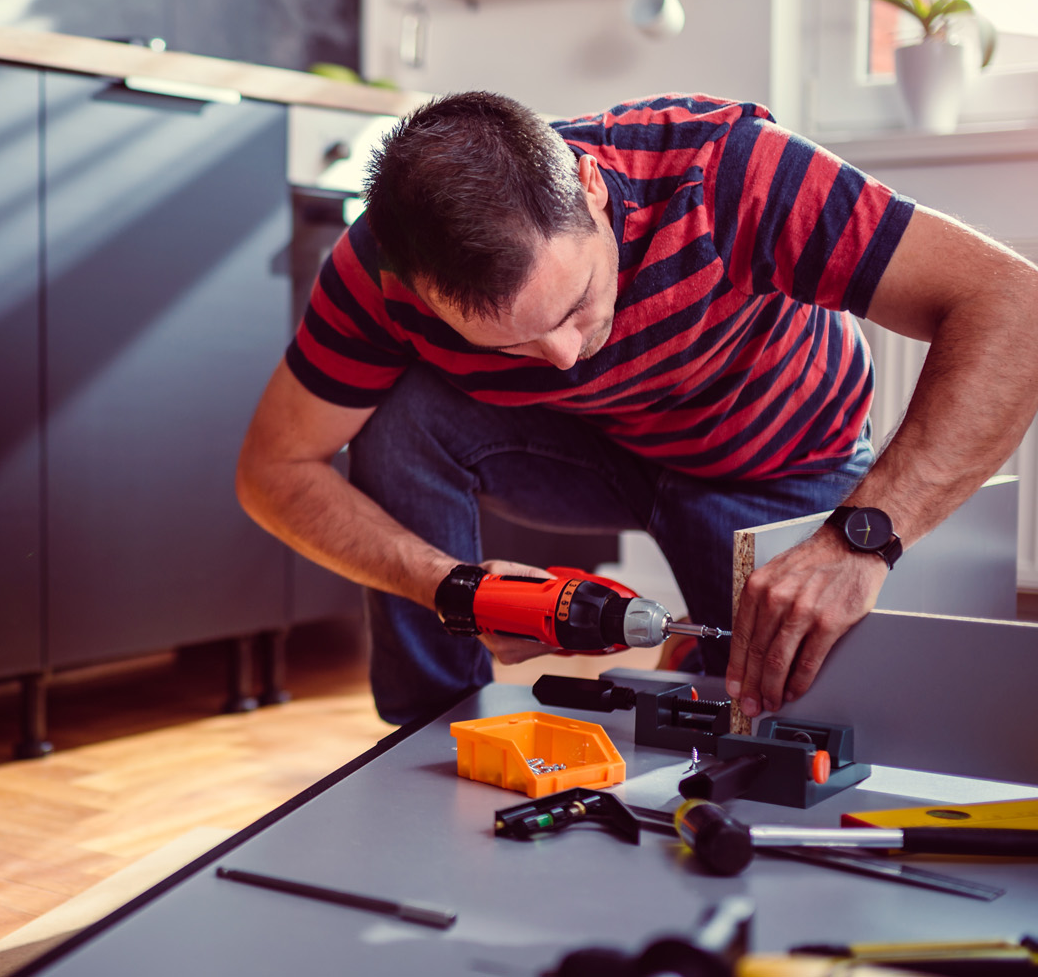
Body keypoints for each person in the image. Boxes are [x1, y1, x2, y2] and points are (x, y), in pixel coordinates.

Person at [235, 91, 1038, 726]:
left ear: (590, 185)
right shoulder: (375, 273)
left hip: (773, 461)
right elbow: (274, 470)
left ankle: (706, 640)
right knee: (398, 414)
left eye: (575, 302)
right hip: (582, 454)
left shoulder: (720, 170)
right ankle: (431, 726)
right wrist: (452, 587)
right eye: (505, 344)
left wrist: (860, 541)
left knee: (798, 717)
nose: (560, 358)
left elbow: (1017, 309)